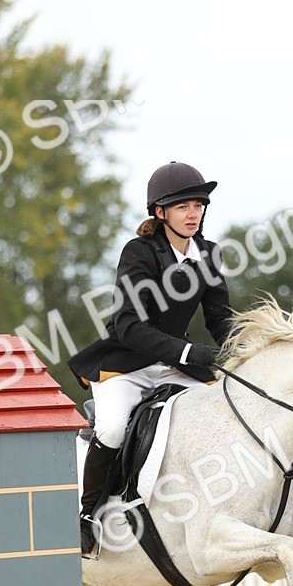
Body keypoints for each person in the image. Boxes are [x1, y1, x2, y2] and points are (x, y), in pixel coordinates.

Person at [68, 161, 236, 556]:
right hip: (126, 364)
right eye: (183, 207)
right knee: (111, 429)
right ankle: (88, 515)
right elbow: (128, 325)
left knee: (225, 408)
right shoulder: (139, 252)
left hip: (175, 366)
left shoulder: (209, 255)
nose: (193, 213)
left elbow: (220, 317)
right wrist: (187, 350)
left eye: (198, 205)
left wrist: (244, 348)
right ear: (160, 213)